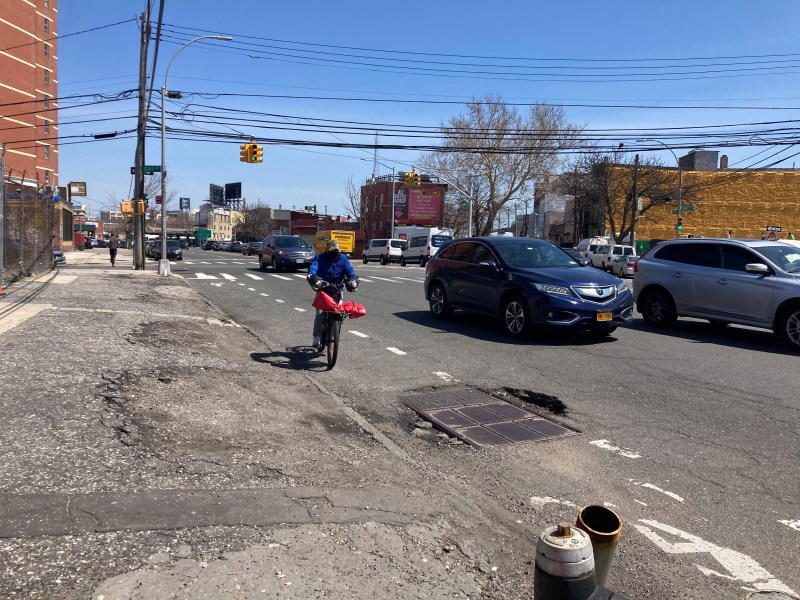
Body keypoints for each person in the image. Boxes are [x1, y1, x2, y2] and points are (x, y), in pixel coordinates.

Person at [307, 240, 358, 350]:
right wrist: (314, 278)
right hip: (323, 289)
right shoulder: (320, 258)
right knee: (320, 312)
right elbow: (313, 269)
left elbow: (350, 271)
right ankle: (317, 336)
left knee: (339, 312)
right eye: (332, 251)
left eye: (336, 251)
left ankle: (335, 328)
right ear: (327, 250)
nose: (334, 253)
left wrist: (352, 280)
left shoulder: (343, 258)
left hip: (338, 290)